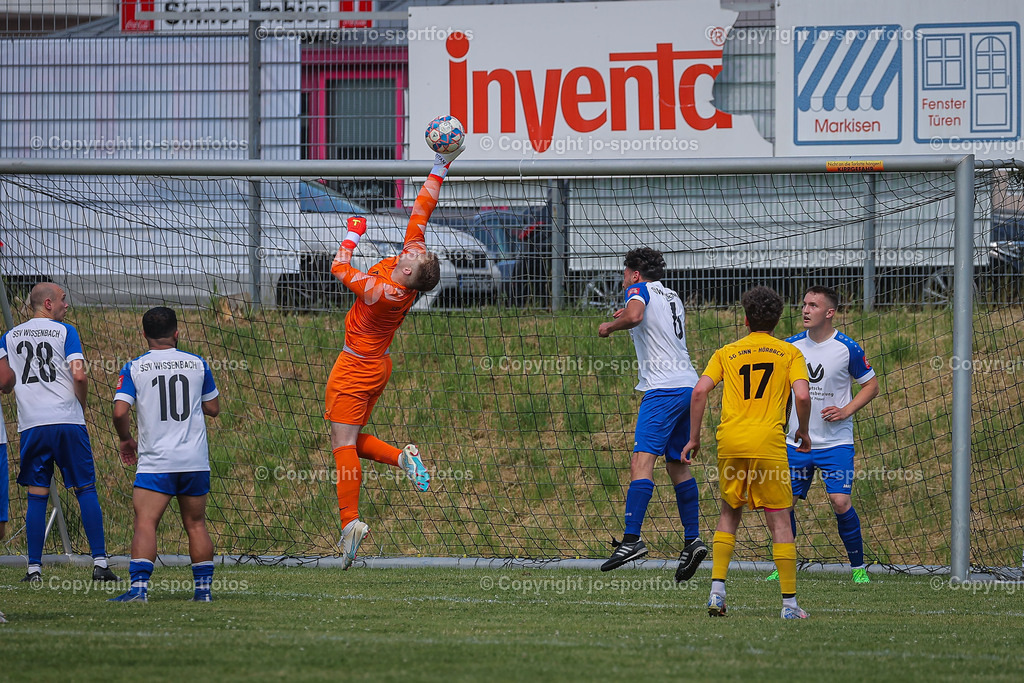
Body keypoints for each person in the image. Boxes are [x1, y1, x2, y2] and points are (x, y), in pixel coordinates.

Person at [326, 148, 462, 569]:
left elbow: (339, 268)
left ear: (409, 273)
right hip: (375, 365)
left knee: (342, 445)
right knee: (343, 439)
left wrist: (352, 235)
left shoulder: (386, 292)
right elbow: (423, 206)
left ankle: (350, 523)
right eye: (413, 250)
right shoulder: (409, 267)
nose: (409, 248)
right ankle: (401, 458)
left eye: (413, 255)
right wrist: (442, 165)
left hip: (357, 366)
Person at [681, 286, 812, 619]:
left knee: (729, 513)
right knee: (779, 520)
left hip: (732, 441)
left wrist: (694, 438)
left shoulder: (727, 352)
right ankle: (789, 605)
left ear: (745, 319)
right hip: (768, 441)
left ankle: (716, 593)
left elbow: (699, 392)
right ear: (778, 319)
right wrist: (803, 431)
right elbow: (804, 396)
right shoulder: (789, 353)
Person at [597, 248, 706, 581]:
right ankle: (692, 541)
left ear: (634, 274)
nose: (623, 279)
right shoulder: (671, 294)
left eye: (624, 273)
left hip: (663, 389)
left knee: (641, 462)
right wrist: (627, 316)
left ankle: (631, 540)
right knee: (676, 464)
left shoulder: (637, 289)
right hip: (687, 385)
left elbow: (636, 317)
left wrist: (610, 326)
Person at [0, 283, 117, 583]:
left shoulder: (9, 336)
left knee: (36, 496)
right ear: (48, 304)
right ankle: (100, 563)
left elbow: (4, 379)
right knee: (85, 489)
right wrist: (82, 402)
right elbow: (78, 372)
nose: (67, 305)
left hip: (33, 426)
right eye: (63, 300)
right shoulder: (66, 332)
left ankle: (34, 569)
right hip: (67, 421)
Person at [764, 286, 879, 584]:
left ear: (829, 312)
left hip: (835, 442)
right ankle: (784, 564)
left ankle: (858, 568)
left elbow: (871, 386)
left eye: (813, 305)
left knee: (840, 502)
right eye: (804, 304)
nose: (805, 310)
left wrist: (845, 410)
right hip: (796, 442)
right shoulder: (789, 347)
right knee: (782, 503)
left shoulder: (847, 348)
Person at [109, 307, 220, 602]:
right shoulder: (198, 364)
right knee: (196, 524)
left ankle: (139, 591)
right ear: (177, 333)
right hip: (194, 461)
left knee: (146, 521)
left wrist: (125, 439)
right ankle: (203, 593)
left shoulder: (135, 367)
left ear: (144, 334)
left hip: (157, 461)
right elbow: (214, 408)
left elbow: (120, 411)